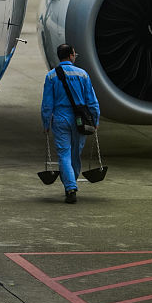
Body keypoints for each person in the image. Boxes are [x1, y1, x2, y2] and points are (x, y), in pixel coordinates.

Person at [41, 44, 100, 204]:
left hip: (60, 118)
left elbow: (47, 104)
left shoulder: (52, 76)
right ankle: (71, 184)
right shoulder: (83, 75)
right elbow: (92, 101)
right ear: (71, 55)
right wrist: (95, 120)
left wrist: (46, 122)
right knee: (75, 154)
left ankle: (70, 187)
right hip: (80, 119)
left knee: (64, 154)